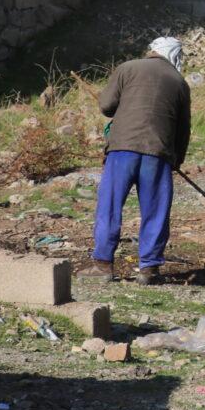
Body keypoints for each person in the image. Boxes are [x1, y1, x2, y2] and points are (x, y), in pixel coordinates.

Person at [85, 37, 191, 283]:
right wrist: (177, 160)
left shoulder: (127, 68)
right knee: (155, 210)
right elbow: (183, 128)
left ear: (152, 51)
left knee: (109, 206)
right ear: (173, 56)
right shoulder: (179, 83)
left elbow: (107, 106)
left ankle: (102, 265)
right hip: (158, 153)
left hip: (123, 148)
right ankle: (149, 269)